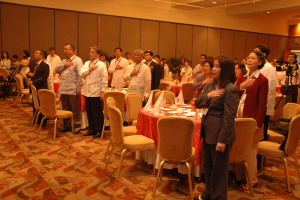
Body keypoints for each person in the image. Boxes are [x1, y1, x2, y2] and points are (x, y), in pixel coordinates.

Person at [194, 55, 239, 200]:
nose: (213, 69)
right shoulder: (210, 85)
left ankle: (218, 197)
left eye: (217, 66)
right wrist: (209, 96)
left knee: (219, 171)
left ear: (225, 69)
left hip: (220, 135)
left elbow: (229, 117)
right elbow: (198, 103)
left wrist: (223, 140)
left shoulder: (230, 89)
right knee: (207, 167)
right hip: (208, 132)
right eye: (213, 65)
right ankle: (207, 195)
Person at [234, 50, 268, 190]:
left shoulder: (262, 80)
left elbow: (262, 104)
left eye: (253, 58)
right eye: (248, 58)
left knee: (250, 151)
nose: (249, 60)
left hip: (251, 119)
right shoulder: (242, 77)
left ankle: (252, 180)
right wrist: (241, 87)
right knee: (239, 147)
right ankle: (240, 177)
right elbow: (233, 93)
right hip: (238, 114)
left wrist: (258, 123)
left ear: (260, 62)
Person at [80, 46, 108, 139]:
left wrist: (102, 92)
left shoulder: (101, 65)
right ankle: (91, 129)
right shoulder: (87, 63)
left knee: (97, 112)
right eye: (90, 52)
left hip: (96, 91)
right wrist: (89, 69)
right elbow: (81, 74)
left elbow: (104, 79)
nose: (90, 53)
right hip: (87, 90)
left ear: (98, 54)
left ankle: (99, 130)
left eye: (93, 52)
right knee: (89, 112)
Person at [55, 44, 83, 134]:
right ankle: (67, 126)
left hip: (73, 88)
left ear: (72, 50)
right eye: (64, 49)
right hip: (64, 88)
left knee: (75, 108)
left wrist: (78, 89)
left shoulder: (78, 60)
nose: (64, 51)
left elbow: (80, 75)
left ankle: (77, 125)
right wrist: (65, 65)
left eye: (66, 49)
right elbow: (56, 70)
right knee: (65, 108)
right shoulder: (64, 61)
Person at [254, 45, 277, 144]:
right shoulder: (257, 67)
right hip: (255, 105)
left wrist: (262, 106)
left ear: (263, 55)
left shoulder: (269, 68)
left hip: (263, 107)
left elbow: (270, 90)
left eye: (256, 52)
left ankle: (261, 159)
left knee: (261, 135)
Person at [27, 50, 49, 126]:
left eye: (36, 53)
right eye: (34, 53)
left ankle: (42, 122)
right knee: (35, 104)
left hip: (41, 88)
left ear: (42, 56)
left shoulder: (45, 65)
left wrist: (33, 82)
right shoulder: (33, 64)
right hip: (34, 88)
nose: (34, 54)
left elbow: (44, 77)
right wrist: (28, 74)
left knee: (42, 105)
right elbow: (29, 73)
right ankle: (36, 120)